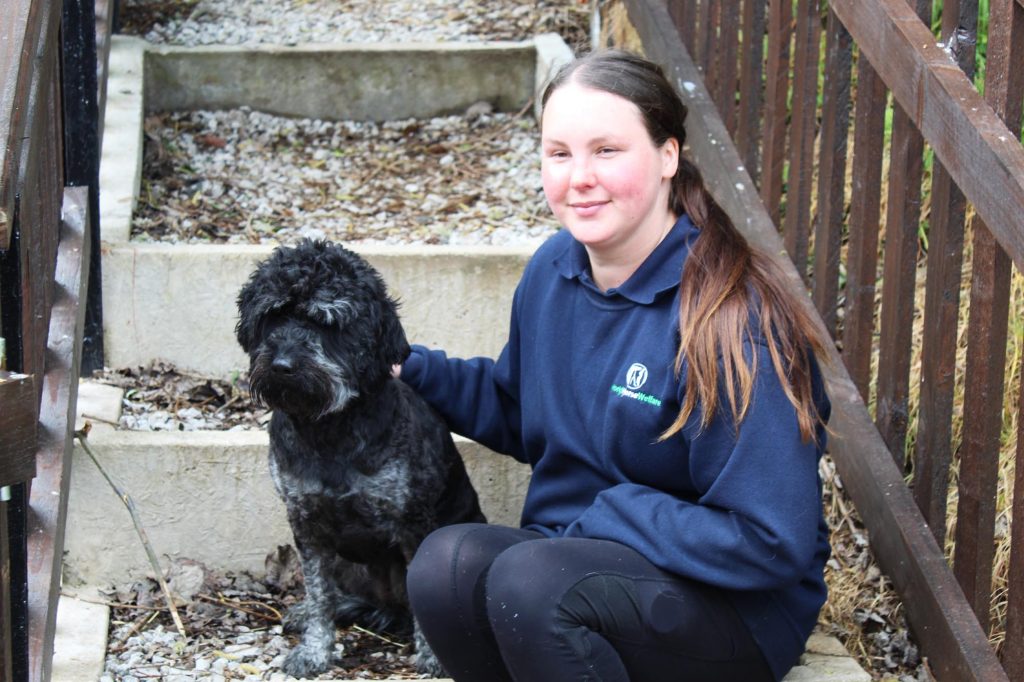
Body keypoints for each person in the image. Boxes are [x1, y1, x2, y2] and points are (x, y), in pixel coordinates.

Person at [397, 49, 832, 682]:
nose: (579, 178)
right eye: (559, 153)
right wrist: (407, 368)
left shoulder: (730, 320)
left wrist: (614, 513)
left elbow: (769, 540)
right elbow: (523, 411)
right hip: (575, 563)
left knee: (531, 583)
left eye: (607, 150)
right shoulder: (553, 269)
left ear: (667, 156)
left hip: (731, 606)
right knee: (445, 567)